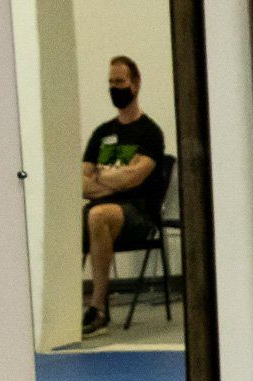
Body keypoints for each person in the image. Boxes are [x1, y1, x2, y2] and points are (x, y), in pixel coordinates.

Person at [80, 55, 165, 336]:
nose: (115, 87)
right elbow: (80, 181)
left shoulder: (150, 133)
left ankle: (98, 308)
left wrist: (102, 176)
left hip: (137, 212)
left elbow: (135, 177)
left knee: (98, 215)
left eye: (120, 81)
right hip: (101, 207)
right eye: (111, 82)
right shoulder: (102, 133)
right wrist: (114, 180)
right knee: (73, 216)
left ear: (135, 84)